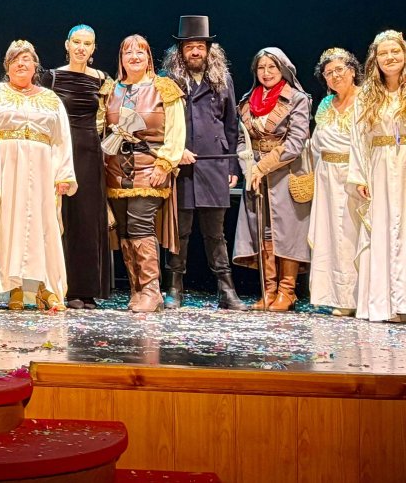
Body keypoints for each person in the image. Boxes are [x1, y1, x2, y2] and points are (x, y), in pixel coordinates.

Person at [0, 40, 76, 311]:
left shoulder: (50, 99)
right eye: (15, 60)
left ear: (35, 65)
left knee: (43, 225)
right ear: (7, 67)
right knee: (10, 224)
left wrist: (64, 174)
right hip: (7, 166)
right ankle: (15, 288)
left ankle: (45, 288)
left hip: (43, 167)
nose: (21, 64)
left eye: (27, 59)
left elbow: (61, 139)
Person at [160, 16, 247, 310]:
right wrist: (176, 150)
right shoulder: (169, 80)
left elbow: (231, 124)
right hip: (181, 165)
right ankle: (174, 288)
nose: (195, 52)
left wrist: (233, 167)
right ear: (180, 51)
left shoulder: (222, 79)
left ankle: (226, 290)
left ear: (209, 50)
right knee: (180, 232)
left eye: (200, 46)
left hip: (215, 163)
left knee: (215, 233)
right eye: (189, 47)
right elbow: (162, 124)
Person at [103, 34, 186, 313]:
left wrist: (166, 163)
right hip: (116, 170)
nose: (135, 56)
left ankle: (152, 290)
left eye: (141, 51)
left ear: (149, 57)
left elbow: (177, 130)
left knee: (140, 224)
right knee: (124, 230)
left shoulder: (164, 88)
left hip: (150, 166)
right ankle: (137, 289)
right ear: (121, 58)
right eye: (128, 52)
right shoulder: (110, 90)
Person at [233, 48, 312, 312]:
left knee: (287, 231)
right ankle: (268, 291)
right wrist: (248, 169)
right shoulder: (248, 100)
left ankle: (287, 292)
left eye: (272, 68)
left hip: (285, 172)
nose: (266, 73)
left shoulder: (297, 99)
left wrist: (262, 167)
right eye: (261, 68)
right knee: (263, 230)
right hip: (255, 174)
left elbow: (296, 141)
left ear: (283, 70)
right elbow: (241, 138)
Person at [39, 24, 111, 309]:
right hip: (59, 150)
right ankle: (62, 287)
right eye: (77, 42)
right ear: (67, 44)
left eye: (88, 43)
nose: (82, 47)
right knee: (62, 217)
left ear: (94, 48)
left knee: (87, 219)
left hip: (89, 152)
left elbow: (110, 117)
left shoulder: (103, 79)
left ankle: (87, 289)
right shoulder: (52, 77)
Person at [349, 30, 405, 322]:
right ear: (376, 59)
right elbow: (358, 139)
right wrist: (359, 176)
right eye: (383, 53)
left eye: (395, 52)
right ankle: (385, 304)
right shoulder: (367, 96)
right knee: (383, 229)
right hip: (380, 166)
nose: (390, 57)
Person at [307, 47, 362, 316]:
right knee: (330, 235)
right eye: (329, 73)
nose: (335, 76)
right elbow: (317, 142)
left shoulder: (364, 100)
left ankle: (358, 295)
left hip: (354, 174)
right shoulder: (326, 104)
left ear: (352, 71)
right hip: (327, 174)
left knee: (353, 235)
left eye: (340, 70)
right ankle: (337, 296)